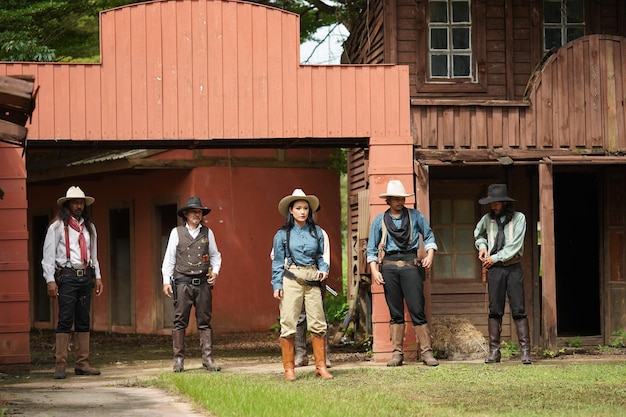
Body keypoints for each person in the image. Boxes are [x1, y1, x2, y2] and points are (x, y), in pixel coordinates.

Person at [366, 179, 439, 367]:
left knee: (417, 308)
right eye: (395, 199)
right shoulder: (379, 220)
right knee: (395, 311)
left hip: (411, 264)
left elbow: (429, 235)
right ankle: (397, 353)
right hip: (389, 266)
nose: (399, 202)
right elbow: (372, 249)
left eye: (401, 198)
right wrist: (374, 270)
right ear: (388, 200)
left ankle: (426, 352)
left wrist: (429, 254)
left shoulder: (416, 216)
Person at [41, 186, 104, 379]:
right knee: (66, 319)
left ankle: (82, 363)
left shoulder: (89, 227)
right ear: (68, 204)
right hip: (66, 276)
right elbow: (48, 256)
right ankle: (60, 364)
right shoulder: (58, 226)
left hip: (85, 275)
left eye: (81, 202)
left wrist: (98, 276)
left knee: (84, 319)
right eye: (75, 202)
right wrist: (50, 280)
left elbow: (93, 254)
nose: (79, 205)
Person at [271, 189, 332, 380]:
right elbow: (277, 260)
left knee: (318, 322)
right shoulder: (282, 234)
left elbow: (322, 255)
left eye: (305, 208)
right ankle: (289, 369)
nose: (302, 212)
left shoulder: (318, 232)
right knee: (289, 321)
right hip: (291, 277)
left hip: (313, 277)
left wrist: (323, 268)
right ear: (291, 210)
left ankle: (320, 366)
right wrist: (276, 284)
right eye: (298, 208)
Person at [162, 196, 222, 372]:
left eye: (199, 212)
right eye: (194, 211)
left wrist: (215, 272)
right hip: (182, 283)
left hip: (203, 283)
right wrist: (166, 281)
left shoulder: (207, 232)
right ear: (186, 214)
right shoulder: (177, 232)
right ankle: (179, 360)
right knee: (180, 321)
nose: (197, 215)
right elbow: (169, 259)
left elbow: (215, 255)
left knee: (205, 321)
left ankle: (208, 359)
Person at [474, 184, 531, 365]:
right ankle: (494, 352)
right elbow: (478, 235)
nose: (493, 206)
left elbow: (515, 245)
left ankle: (525, 352)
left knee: (518, 308)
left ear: (505, 203)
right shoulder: (486, 219)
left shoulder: (519, 218)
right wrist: (482, 247)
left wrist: (495, 257)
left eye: (496, 203)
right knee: (495, 309)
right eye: (491, 203)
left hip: (512, 266)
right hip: (494, 269)